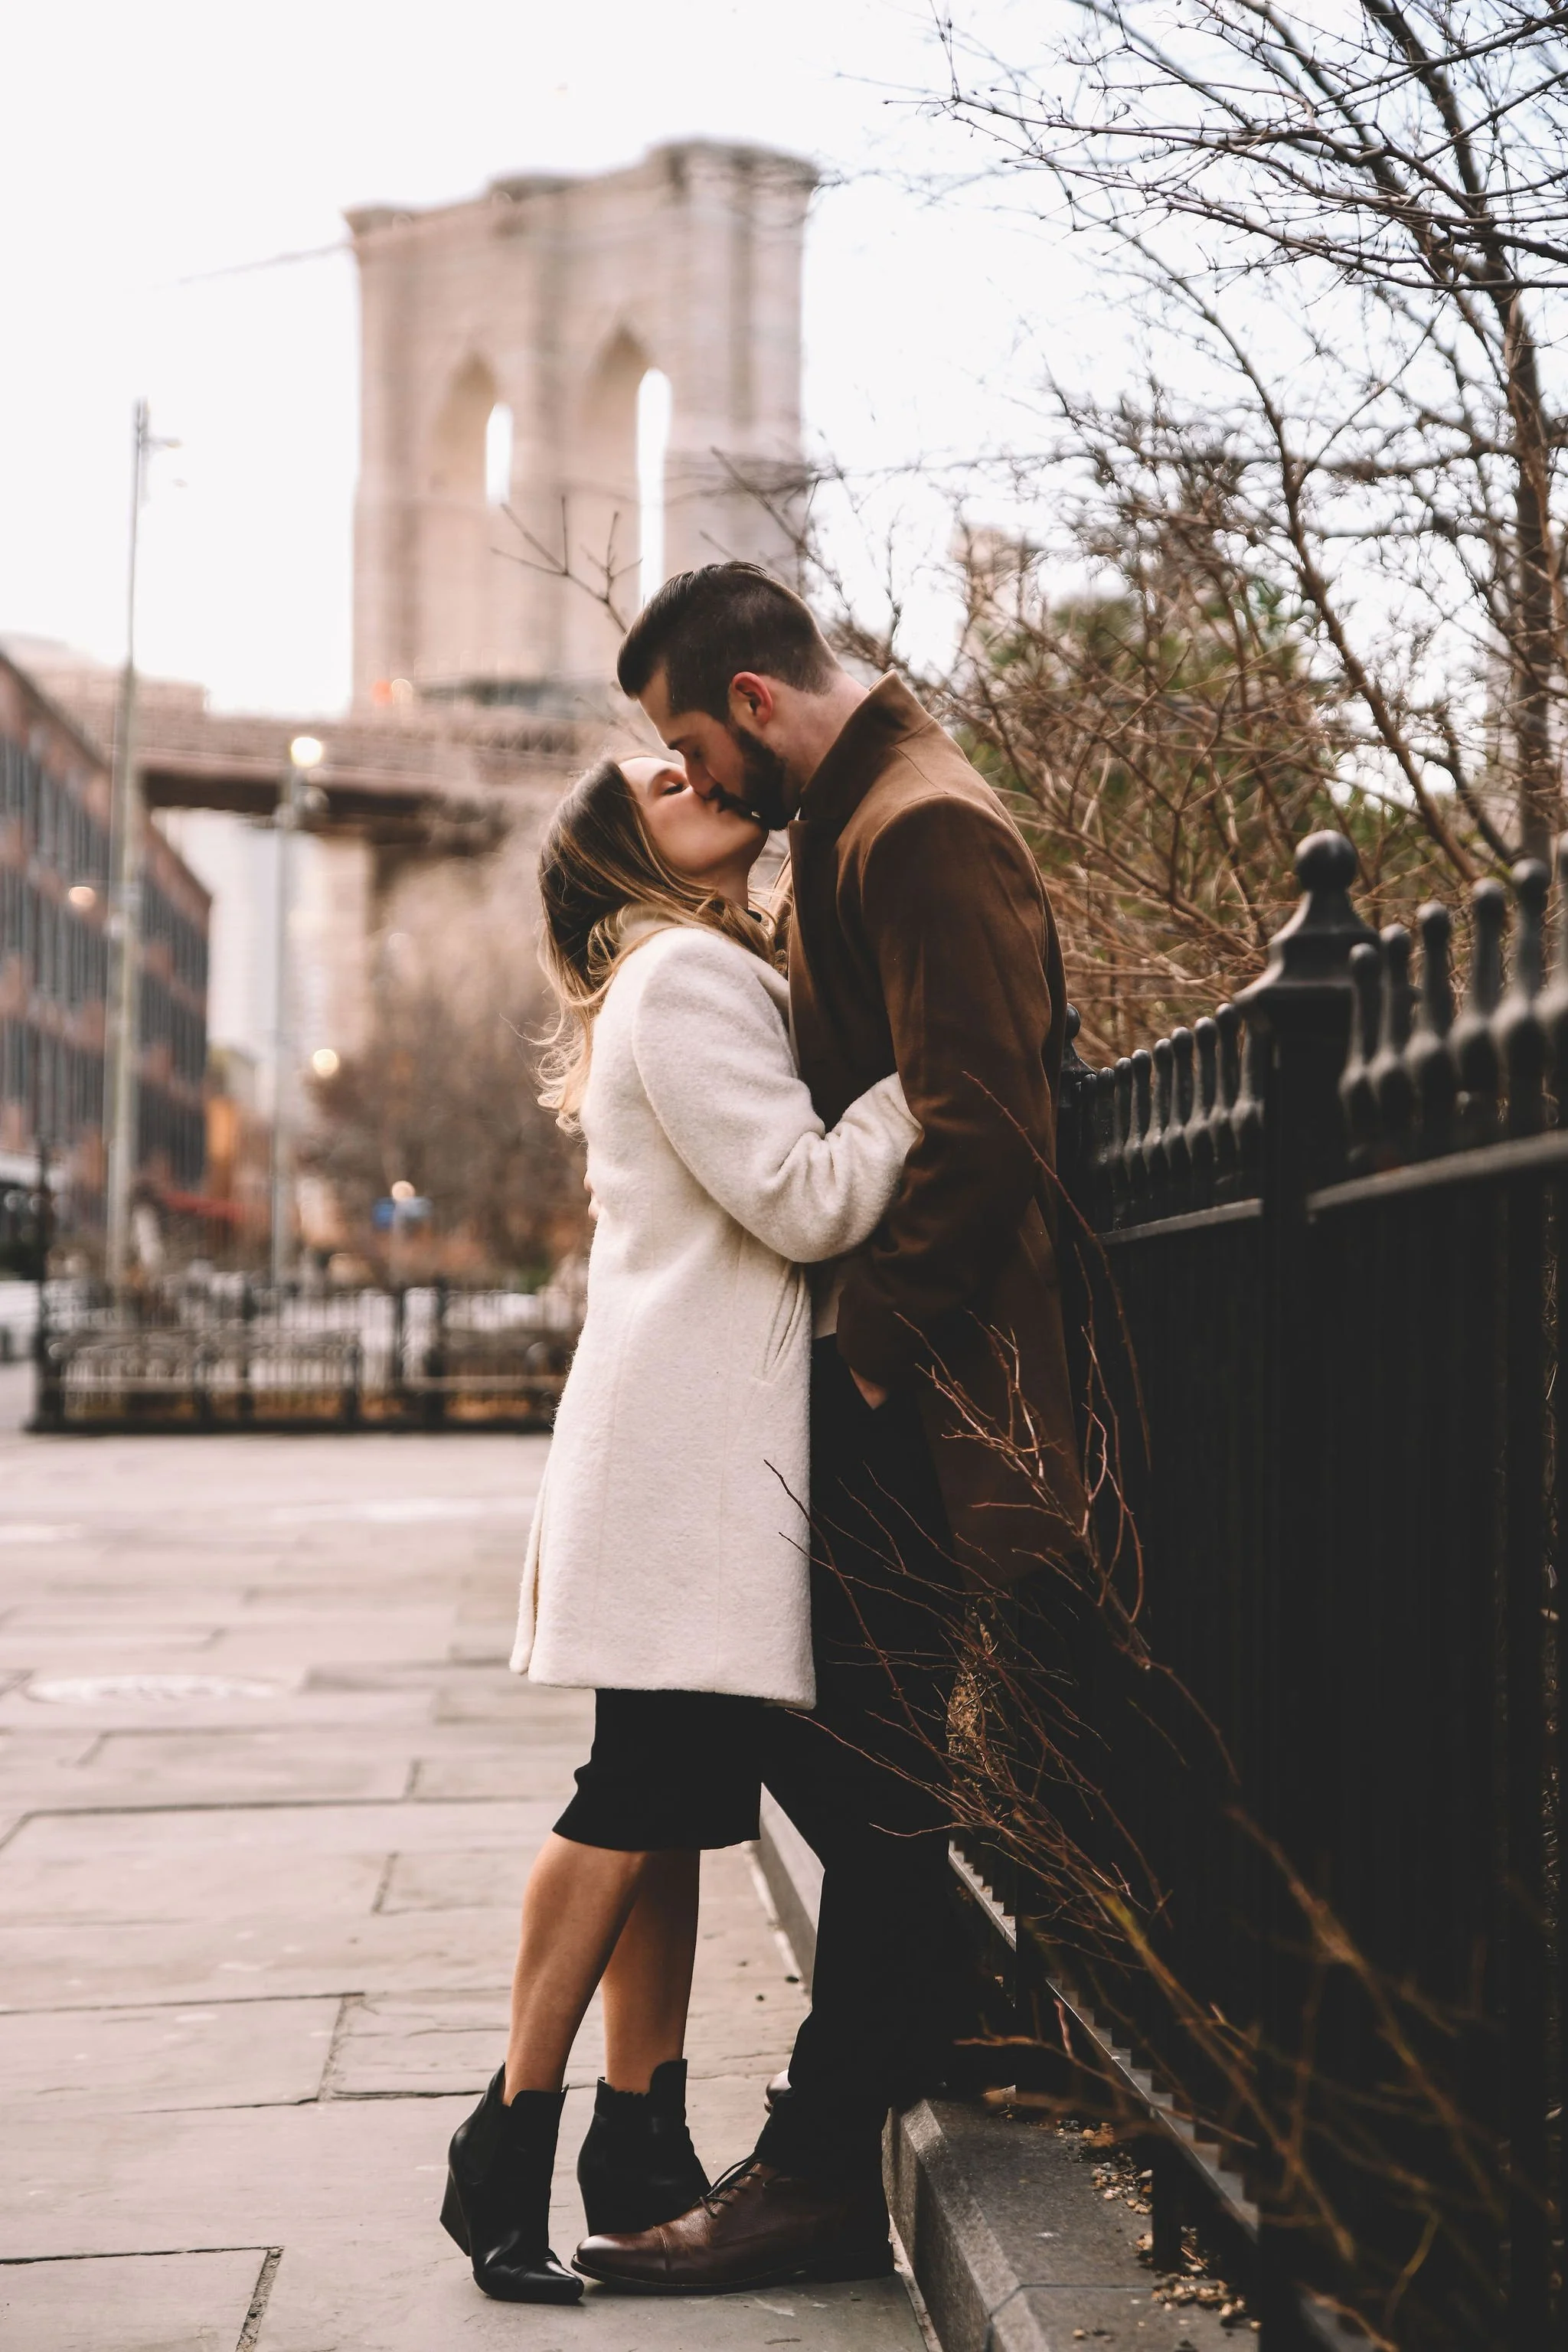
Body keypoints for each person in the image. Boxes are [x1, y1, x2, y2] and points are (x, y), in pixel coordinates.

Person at [574, 564, 1086, 2295]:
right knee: (856, 1778)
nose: (699, 789)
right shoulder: (860, 819)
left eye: (687, 749)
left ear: (750, 704)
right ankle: (885, 2056)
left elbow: (985, 1125)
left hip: (915, 1397)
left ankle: (811, 2165)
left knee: (864, 1786)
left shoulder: (918, 828)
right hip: (886, 1394)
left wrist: (859, 1363)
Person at [439, 749, 920, 2305]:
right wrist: (935, 1080)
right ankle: (507, 2139)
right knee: (631, 1793)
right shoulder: (690, 975)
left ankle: (638, 2137)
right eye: (657, 777)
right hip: (689, 1466)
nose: (688, 769)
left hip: (677, 1455)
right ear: (626, 851)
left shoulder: (686, 970)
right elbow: (801, 1196)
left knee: (672, 1800)